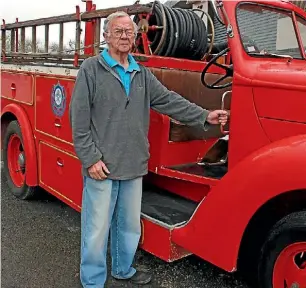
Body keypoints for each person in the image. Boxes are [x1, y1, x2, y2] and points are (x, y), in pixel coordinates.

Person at [69, 11, 228, 288]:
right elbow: (79, 120)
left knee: (128, 226)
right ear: (106, 36)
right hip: (101, 166)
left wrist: (205, 116)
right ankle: (92, 281)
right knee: (96, 230)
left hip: (132, 163)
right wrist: (91, 159)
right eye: (118, 32)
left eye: (129, 32)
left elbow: (169, 100)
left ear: (135, 36)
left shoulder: (140, 73)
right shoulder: (91, 70)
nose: (124, 36)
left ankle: (122, 269)